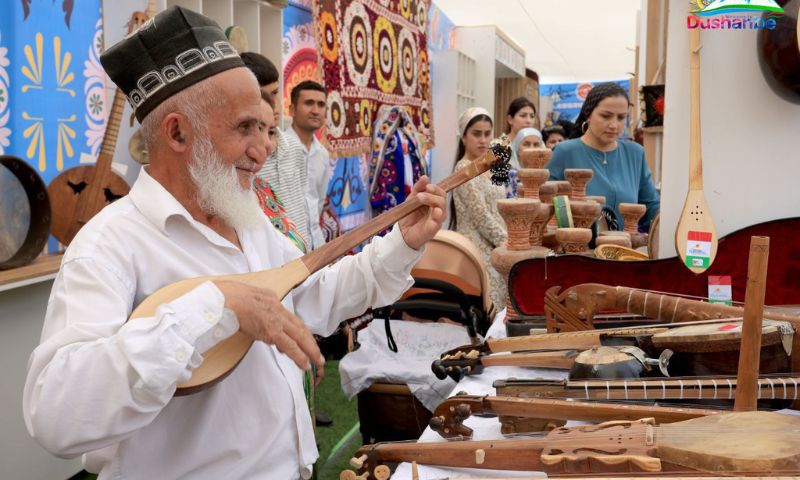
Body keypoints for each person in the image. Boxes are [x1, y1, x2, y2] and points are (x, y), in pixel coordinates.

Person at [22, 7, 446, 480]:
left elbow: (315, 297)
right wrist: (215, 307)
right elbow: (55, 414)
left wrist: (400, 245)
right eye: (245, 127)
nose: (264, 148)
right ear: (178, 132)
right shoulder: (109, 245)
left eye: (265, 129)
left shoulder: (248, 222)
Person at [546, 82, 660, 231]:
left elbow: (651, 207)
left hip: (626, 251)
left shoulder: (635, 154)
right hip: (576, 250)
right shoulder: (564, 152)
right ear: (588, 114)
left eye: (621, 118)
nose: (614, 125)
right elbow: (548, 206)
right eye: (605, 116)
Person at [241, 52, 313, 248]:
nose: (271, 104)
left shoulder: (295, 148)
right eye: (260, 96)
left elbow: (305, 204)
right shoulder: (242, 159)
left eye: (274, 93)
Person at [449, 107, 507, 311]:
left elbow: (504, 207)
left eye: (487, 133)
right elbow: (481, 217)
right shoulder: (463, 169)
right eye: (476, 134)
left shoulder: (493, 167)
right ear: (464, 137)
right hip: (476, 251)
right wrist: (509, 243)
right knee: (487, 310)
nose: (483, 140)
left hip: (497, 248)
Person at [287, 80, 331, 250]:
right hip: (287, 246)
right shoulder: (278, 150)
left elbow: (318, 202)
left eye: (321, 105)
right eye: (308, 103)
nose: (315, 110)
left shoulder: (323, 155)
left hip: (316, 243)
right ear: (292, 110)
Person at [506, 127, 544, 197]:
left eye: (536, 145)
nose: (531, 149)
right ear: (517, 147)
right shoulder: (509, 174)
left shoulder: (545, 173)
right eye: (526, 144)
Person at [504, 96, 537, 171]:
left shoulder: (539, 143)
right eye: (523, 116)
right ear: (510, 119)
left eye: (532, 116)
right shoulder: (498, 145)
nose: (528, 121)